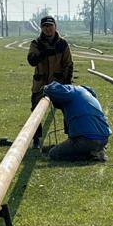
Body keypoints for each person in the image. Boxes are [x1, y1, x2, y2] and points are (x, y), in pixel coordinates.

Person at [27, 15, 73, 147]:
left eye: (50, 26)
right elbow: (31, 61)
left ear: (55, 27)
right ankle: (36, 139)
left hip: (59, 83)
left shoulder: (63, 44)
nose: (48, 29)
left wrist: (67, 84)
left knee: (68, 108)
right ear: (41, 28)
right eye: (45, 26)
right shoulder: (36, 44)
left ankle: (71, 135)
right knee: (35, 111)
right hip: (40, 84)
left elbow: (69, 64)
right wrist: (43, 53)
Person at [41, 82, 112, 162]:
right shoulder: (86, 94)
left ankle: (89, 155)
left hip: (86, 140)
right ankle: (96, 150)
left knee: (53, 153)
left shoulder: (71, 91)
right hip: (103, 139)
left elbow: (52, 89)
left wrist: (46, 87)